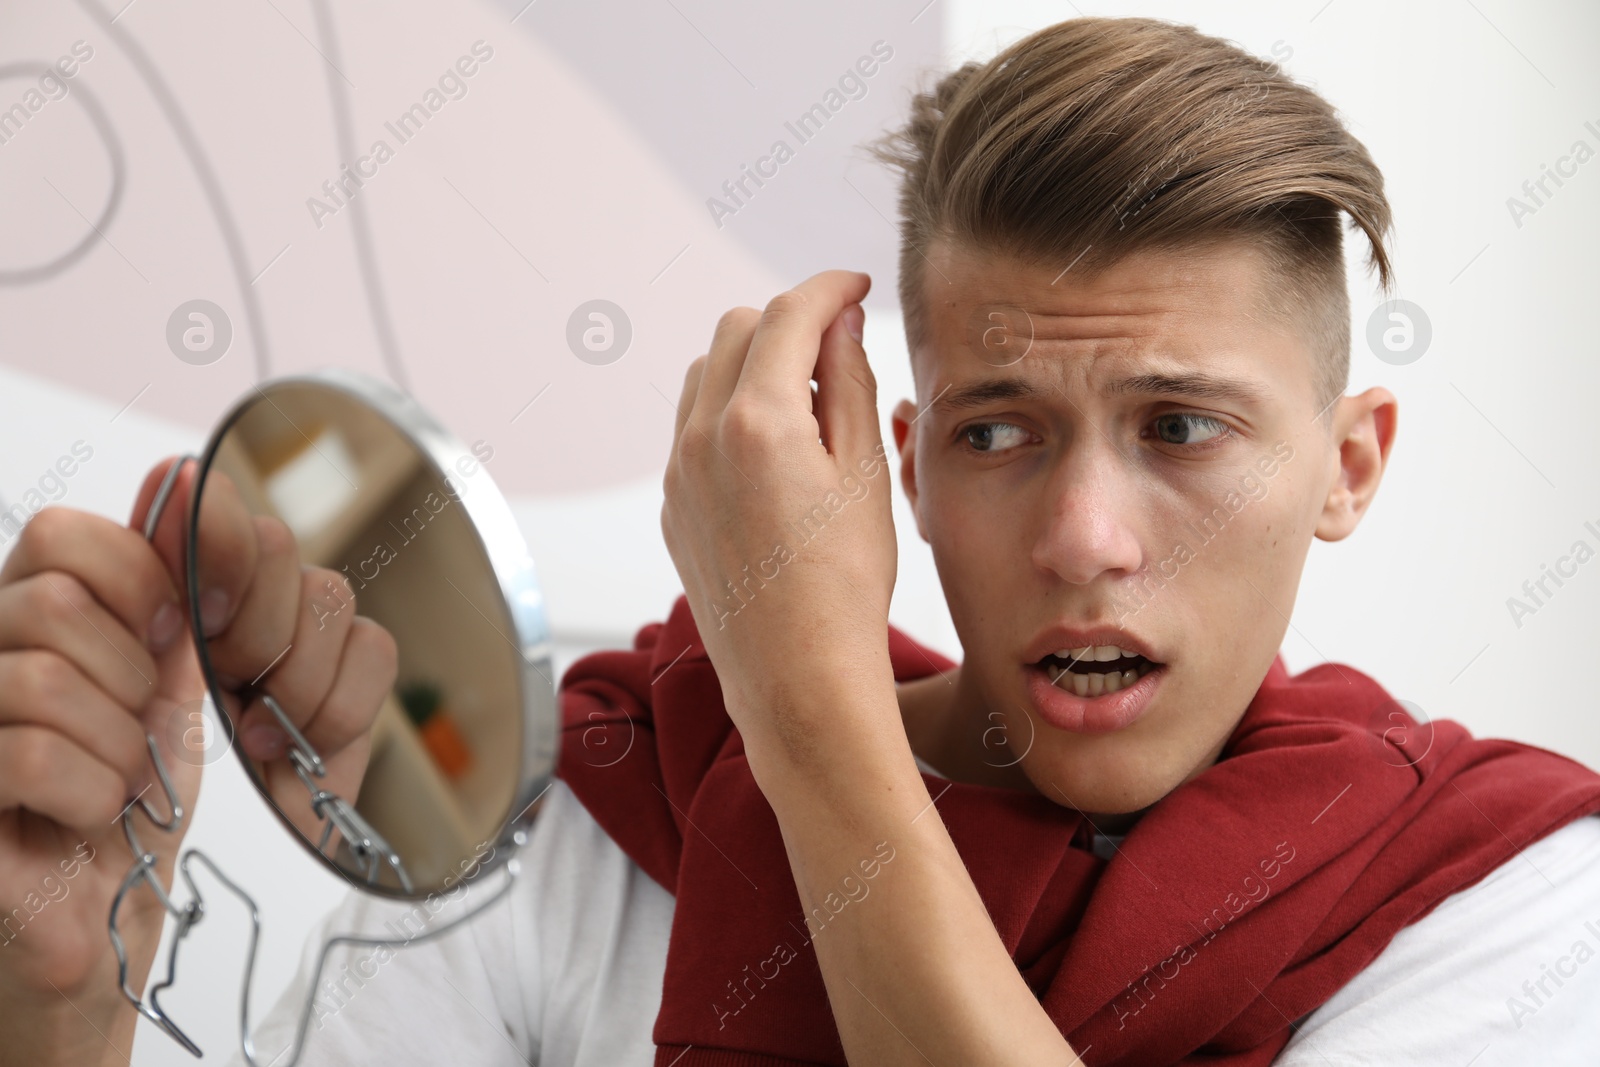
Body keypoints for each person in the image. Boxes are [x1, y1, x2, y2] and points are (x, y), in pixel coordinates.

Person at [4, 15, 1598, 1067]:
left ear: (1351, 465)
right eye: (998, 432)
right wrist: (58, 1011)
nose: (1085, 537)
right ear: (898, 470)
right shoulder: (582, 824)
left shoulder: (1513, 902)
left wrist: (798, 694)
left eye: (1182, 428)